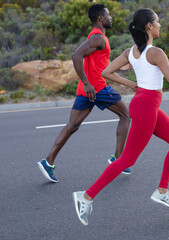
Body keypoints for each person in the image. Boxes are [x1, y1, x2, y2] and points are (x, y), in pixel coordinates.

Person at [72, 8, 169, 226]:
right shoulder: (156, 53)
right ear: (149, 27)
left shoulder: (130, 52)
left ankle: (162, 190)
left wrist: (132, 84)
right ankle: (85, 197)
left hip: (146, 105)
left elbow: (105, 72)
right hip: (146, 107)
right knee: (127, 159)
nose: (160, 25)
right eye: (158, 22)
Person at [37, 4, 135, 183]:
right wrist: (87, 83)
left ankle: (48, 161)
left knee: (72, 126)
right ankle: (118, 159)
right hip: (97, 88)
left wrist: (119, 66)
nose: (111, 17)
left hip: (87, 91)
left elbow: (98, 64)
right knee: (125, 116)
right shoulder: (98, 37)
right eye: (108, 15)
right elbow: (76, 56)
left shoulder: (99, 38)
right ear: (100, 18)